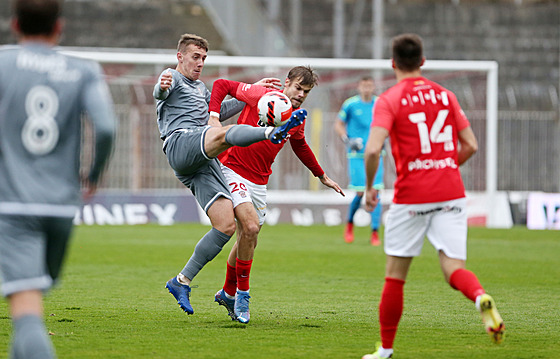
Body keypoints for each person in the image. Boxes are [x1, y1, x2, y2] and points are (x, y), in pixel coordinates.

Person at [362, 33, 505, 359]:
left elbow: (372, 150)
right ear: (423, 62)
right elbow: (470, 144)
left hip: (412, 195)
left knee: (395, 276)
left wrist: (371, 188)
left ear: (393, 63)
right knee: (453, 267)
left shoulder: (389, 99)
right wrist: (441, 167)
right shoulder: (446, 95)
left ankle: (385, 350)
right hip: (451, 191)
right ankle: (480, 295)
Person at [155, 33, 304, 315]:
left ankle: (181, 281)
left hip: (199, 161)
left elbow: (221, 109)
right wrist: (161, 87)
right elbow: (161, 91)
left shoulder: (200, 88)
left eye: (203, 58)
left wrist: (254, 89)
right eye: (195, 57)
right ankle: (270, 132)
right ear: (180, 56)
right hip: (181, 142)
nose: (200, 63)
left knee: (225, 226)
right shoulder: (171, 77)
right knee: (223, 136)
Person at [0, 0, 117, 358]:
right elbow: (108, 128)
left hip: (13, 205)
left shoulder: (2, 64)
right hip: (61, 207)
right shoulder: (82, 70)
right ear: (59, 27)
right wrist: (92, 176)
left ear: (15, 25)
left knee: (26, 312)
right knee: (32, 298)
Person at [208, 66, 345, 323]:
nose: (301, 94)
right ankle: (243, 295)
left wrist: (321, 175)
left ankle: (227, 292)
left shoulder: (297, 117)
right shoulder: (261, 95)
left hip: (260, 181)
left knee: (247, 239)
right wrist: (214, 116)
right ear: (287, 82)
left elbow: (300, 145)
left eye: (306, 91)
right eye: (298, 88)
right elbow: (222, 84)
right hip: (232, 170)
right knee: (250, 227)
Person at [335, 76, 384, 246]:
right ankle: (349, 225)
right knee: (360, 192)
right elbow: (339, 124)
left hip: (376, 153)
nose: (367, 89)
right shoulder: (350, 104)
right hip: (356, 155)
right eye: (364, 86)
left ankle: (375, 232)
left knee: (376, 192)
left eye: (369, 86)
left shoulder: (380, 103)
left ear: (373, 87)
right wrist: (346, 139)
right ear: (359, 87)